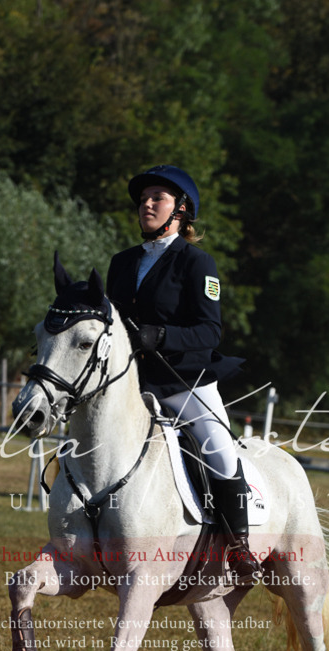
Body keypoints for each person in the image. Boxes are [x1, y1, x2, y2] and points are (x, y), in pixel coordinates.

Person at [106, 163, 250, 554]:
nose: (146, 204)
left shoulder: (197, 263)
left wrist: (162, 336)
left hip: (184, 382)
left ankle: (238, 547)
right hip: (131, 383)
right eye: (143, 199)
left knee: (221, 453)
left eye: (158, 198)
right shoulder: (122, 262)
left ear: (181, 209)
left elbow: (209, 331)